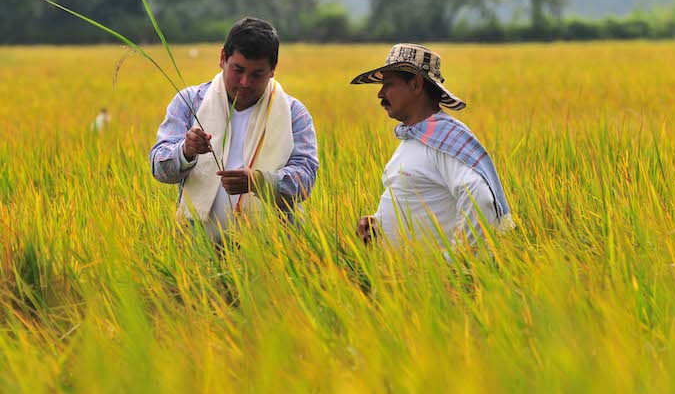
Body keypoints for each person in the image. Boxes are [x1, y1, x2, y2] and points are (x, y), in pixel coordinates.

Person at [149, 17, 319, 242]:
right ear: (222, 58)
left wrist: (260, 181)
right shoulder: (190, 103)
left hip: (274, 251)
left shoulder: (293, 113)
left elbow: (305, 181)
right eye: (238, 70)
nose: (245, 82)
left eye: (257, 74)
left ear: (272, 70)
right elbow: (159, 168)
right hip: (197, 248)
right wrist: (186, 151)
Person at [351, 43, 513, 249]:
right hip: (403, 275)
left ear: (417, 85)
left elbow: (480, 199)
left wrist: (456, 261)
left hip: (436, 277)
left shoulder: (446, 140)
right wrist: (377, 222)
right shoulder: (415, 138)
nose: (380, 94)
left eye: (389, 84)